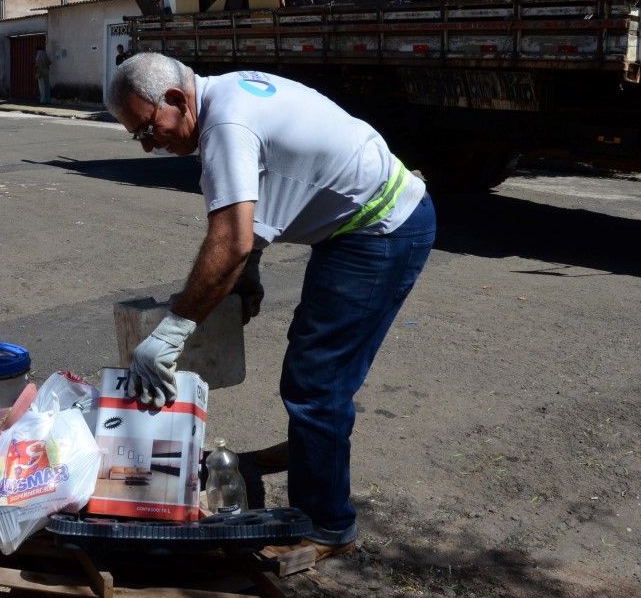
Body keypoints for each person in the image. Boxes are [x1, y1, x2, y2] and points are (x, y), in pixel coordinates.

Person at [105, 53, 436, 559]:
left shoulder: (227, 125)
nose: (150, 145)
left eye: (149, 129)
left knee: (317, 379)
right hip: (361, 221)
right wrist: (250, 268)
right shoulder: (224, 96)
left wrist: (171, 333)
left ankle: (326, 526)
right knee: (314, 359)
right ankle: (309, 453)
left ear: (175, 98)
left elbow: (230, 240)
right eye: (138, 137)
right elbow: (261, 194)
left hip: (381, 228)